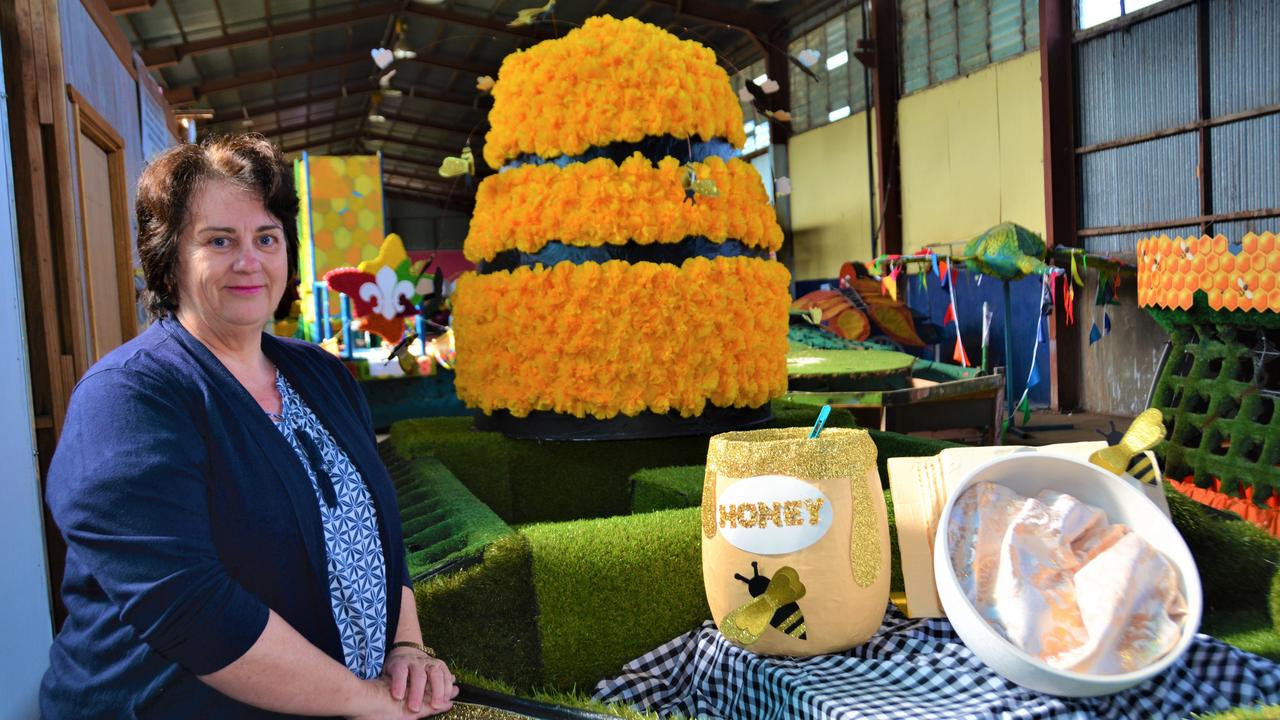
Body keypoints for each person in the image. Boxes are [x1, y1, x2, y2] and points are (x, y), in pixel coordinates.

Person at [40, 134, 458, 719]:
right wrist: (363, 701)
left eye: (266, 237)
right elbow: (191, 609)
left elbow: (375, 536)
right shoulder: (128, 399)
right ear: (169, 261)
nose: (250, 261)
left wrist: (405, 646)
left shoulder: (320, 375)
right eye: (219, 240)